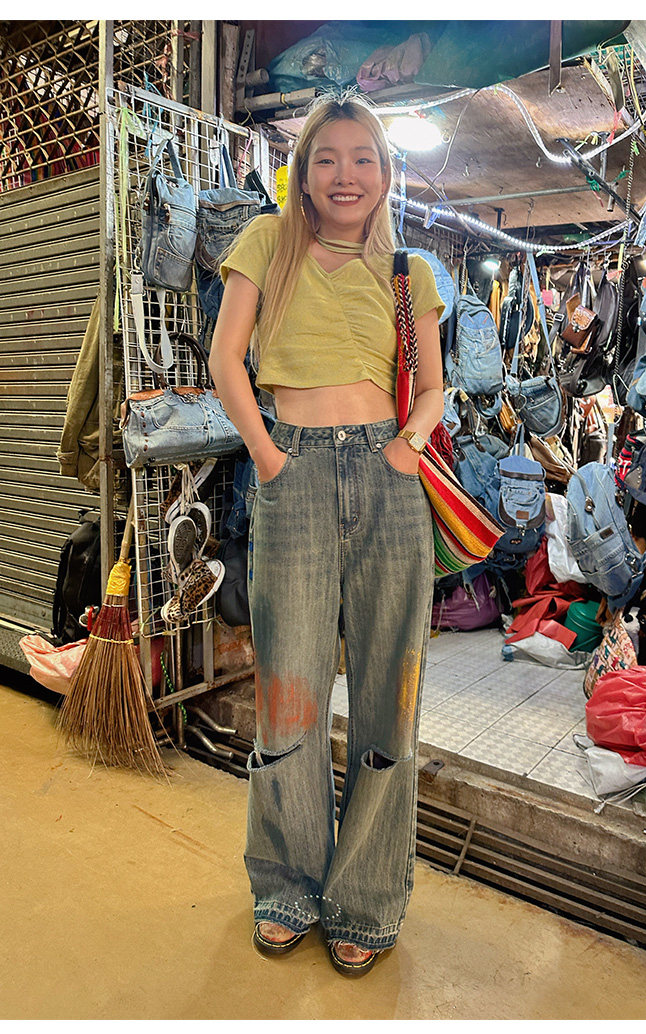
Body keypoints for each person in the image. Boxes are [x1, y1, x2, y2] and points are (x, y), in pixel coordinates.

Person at [209, 94, 445, 976]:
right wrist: (269, 457)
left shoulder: (409, 273)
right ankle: (287, 883)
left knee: (390, 695)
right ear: (302, 173)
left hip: (389, 481)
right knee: (290, 694)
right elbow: (225, 358)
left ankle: (367, 898)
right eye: (327, 159)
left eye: (363, 158)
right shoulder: (266, 242)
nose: (346, 175)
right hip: (295, 474)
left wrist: (407, 446)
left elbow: (433, 387)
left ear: (385, 174)